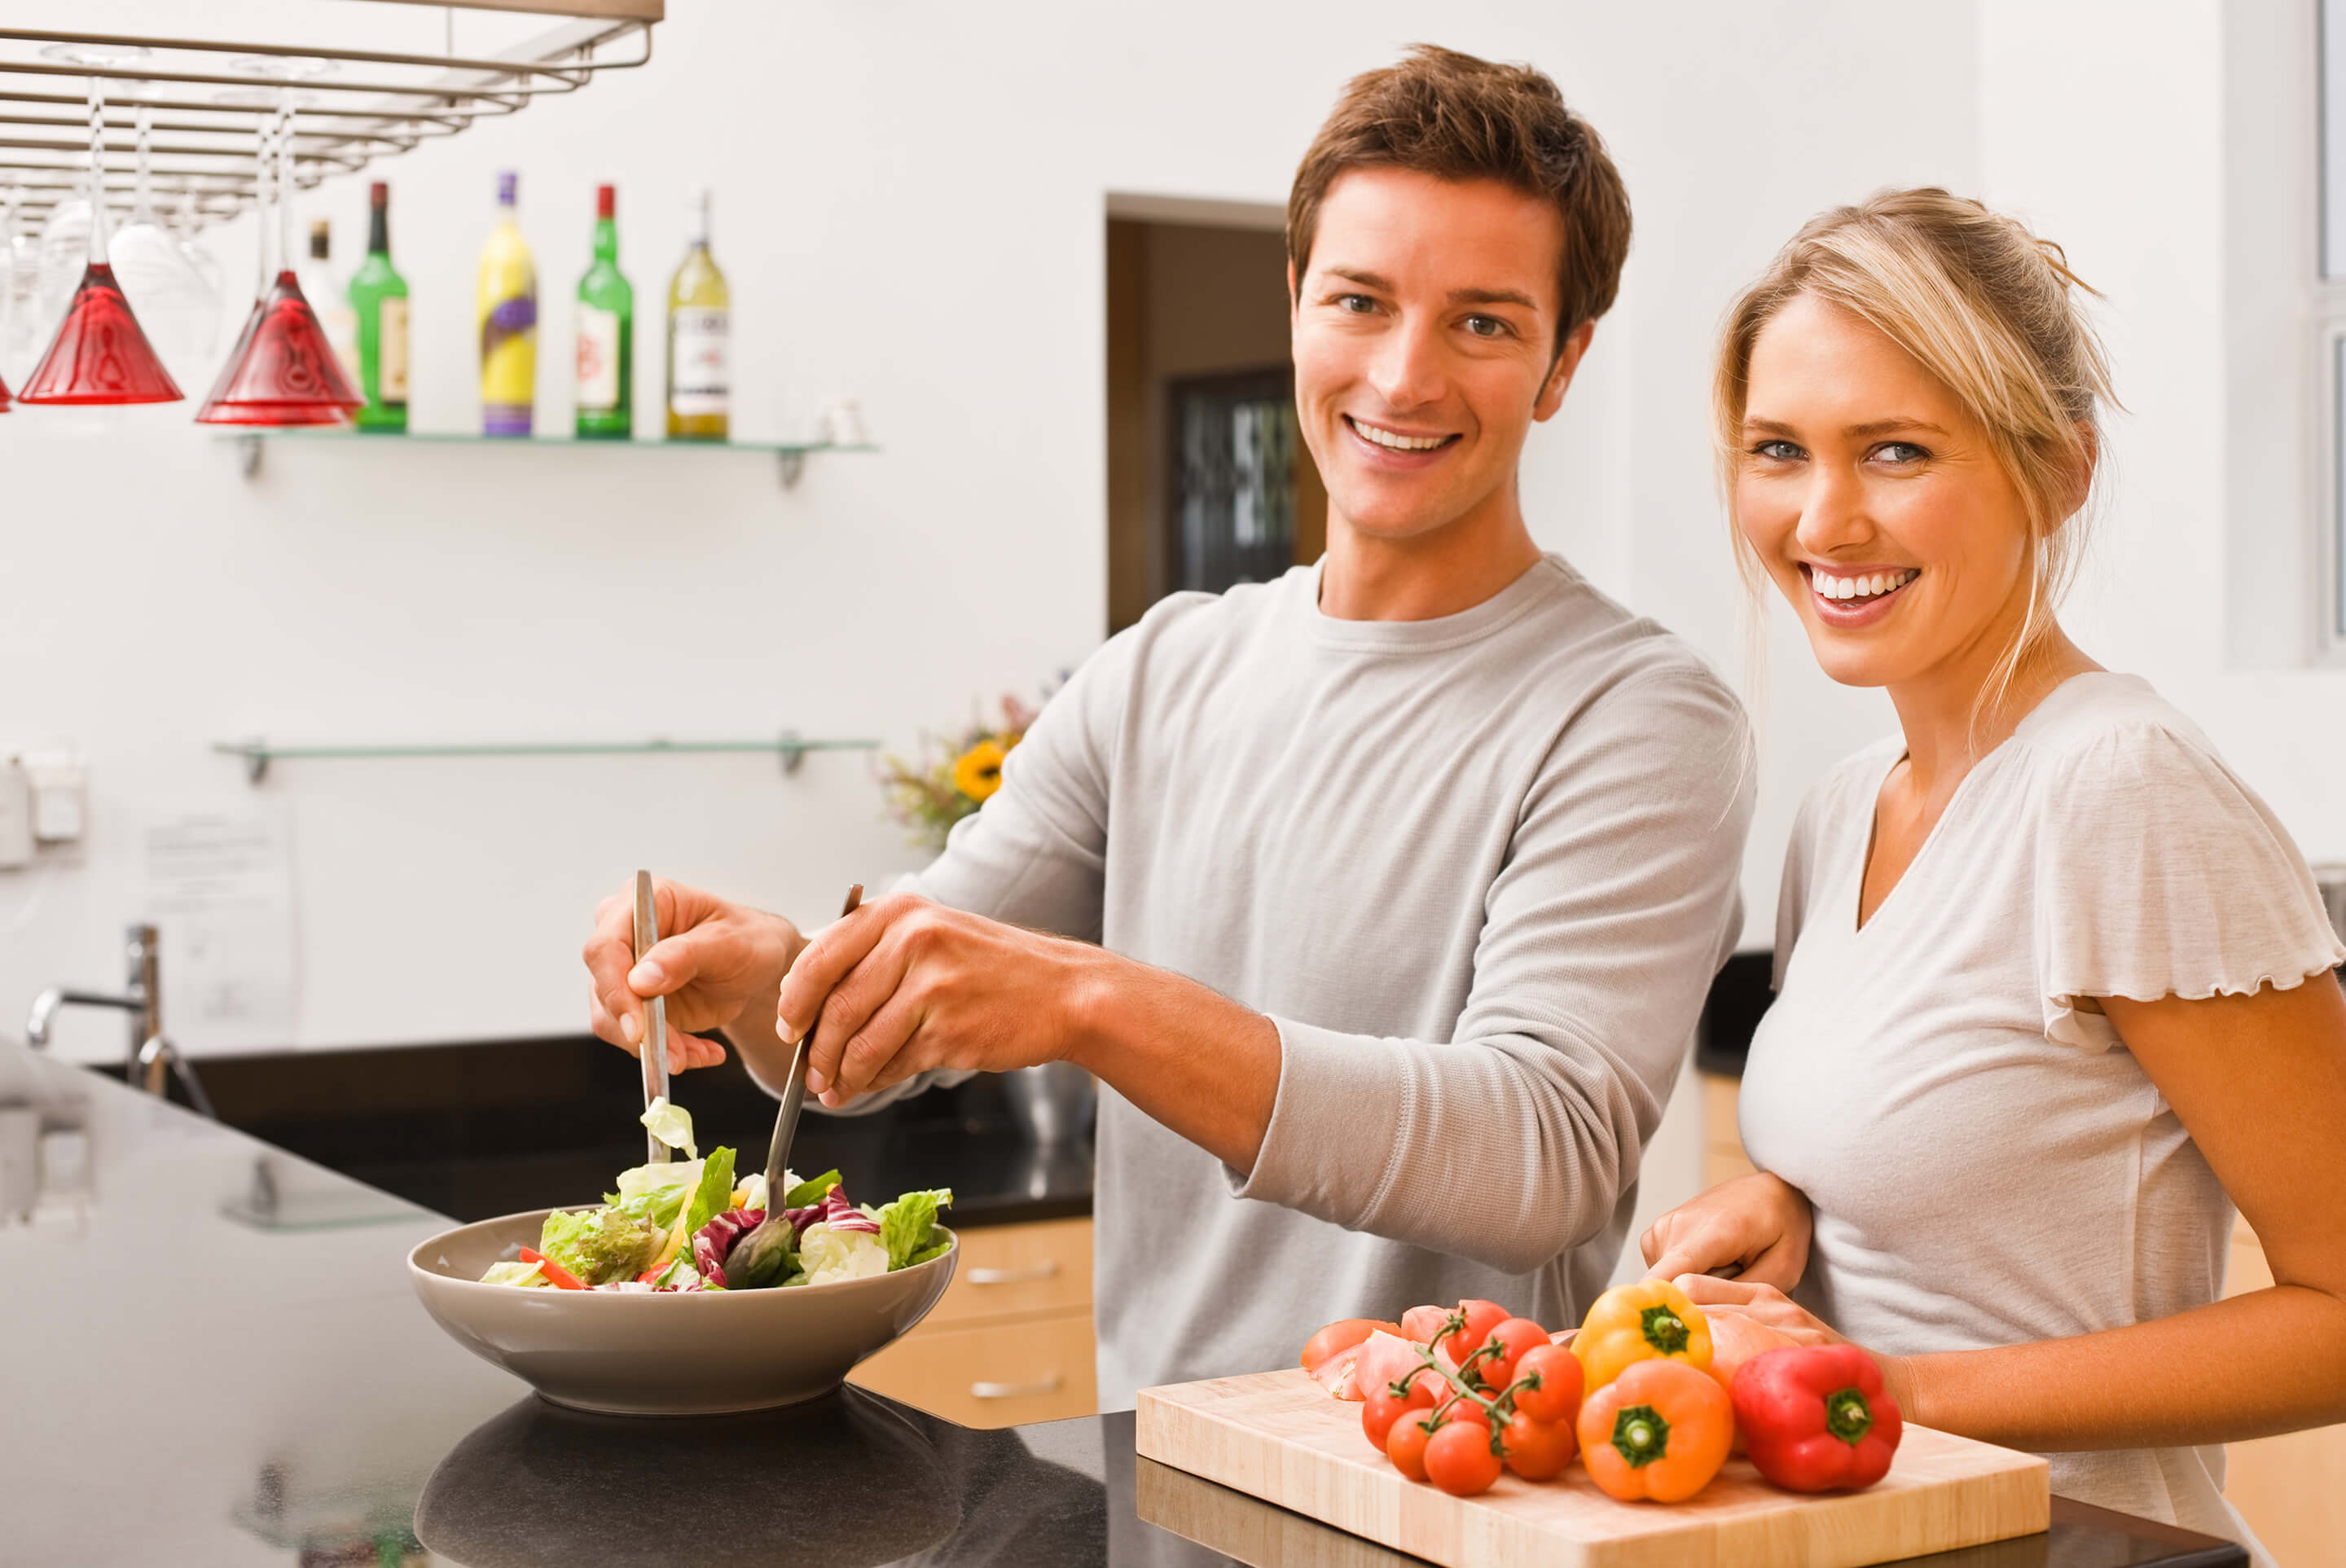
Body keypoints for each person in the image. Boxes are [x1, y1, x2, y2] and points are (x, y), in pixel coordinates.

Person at [586, 45, 1754, 1408]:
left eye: (1483, 323)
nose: (1403, 373)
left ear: (1563, 364)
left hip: (1449, 1502)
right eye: (1360, 302)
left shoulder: (1641, 715)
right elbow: (886, 1035)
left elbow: (1539, 1157)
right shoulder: (1161, 670)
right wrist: (773, 978)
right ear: (1299, 307)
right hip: (1156, 1490)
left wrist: (1091, 999)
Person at [1638, 188, 2346, 1559]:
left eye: (1896, 450)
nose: (1824, 518)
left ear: (2060, 468)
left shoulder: (2121, 788)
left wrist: (1906, 1396)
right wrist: (1791, 1203)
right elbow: (1961, 1147)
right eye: (1778, 449)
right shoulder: (1842, 812)